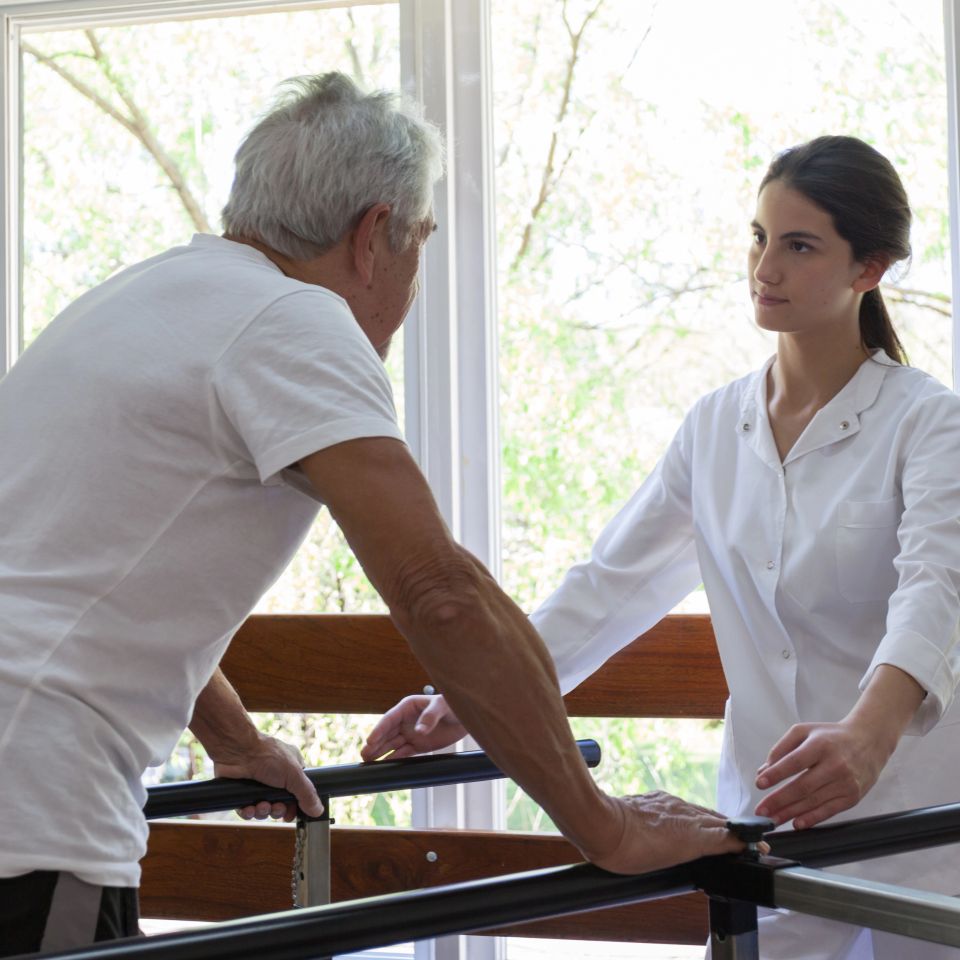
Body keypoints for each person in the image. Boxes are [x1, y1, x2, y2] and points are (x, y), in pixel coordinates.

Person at [0, 72, 742, 955]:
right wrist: (607, 827)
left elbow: (93, 575)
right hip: (33, 805)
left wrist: (234, 743)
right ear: (373, 235)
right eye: (420, 241)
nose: (415, 277)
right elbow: (440, 592)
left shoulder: (143, 297)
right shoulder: (296, 321)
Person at [363, 135, 960, 960]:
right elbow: (609, 587)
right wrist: (469, 699)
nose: (766, 267)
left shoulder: (930, 422)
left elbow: (936, 590)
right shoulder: (714, 427)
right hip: (769, 822)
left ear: (871, 269)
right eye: (758, 237)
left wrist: (869, 733)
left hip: (925, 831)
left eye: (799, 246)